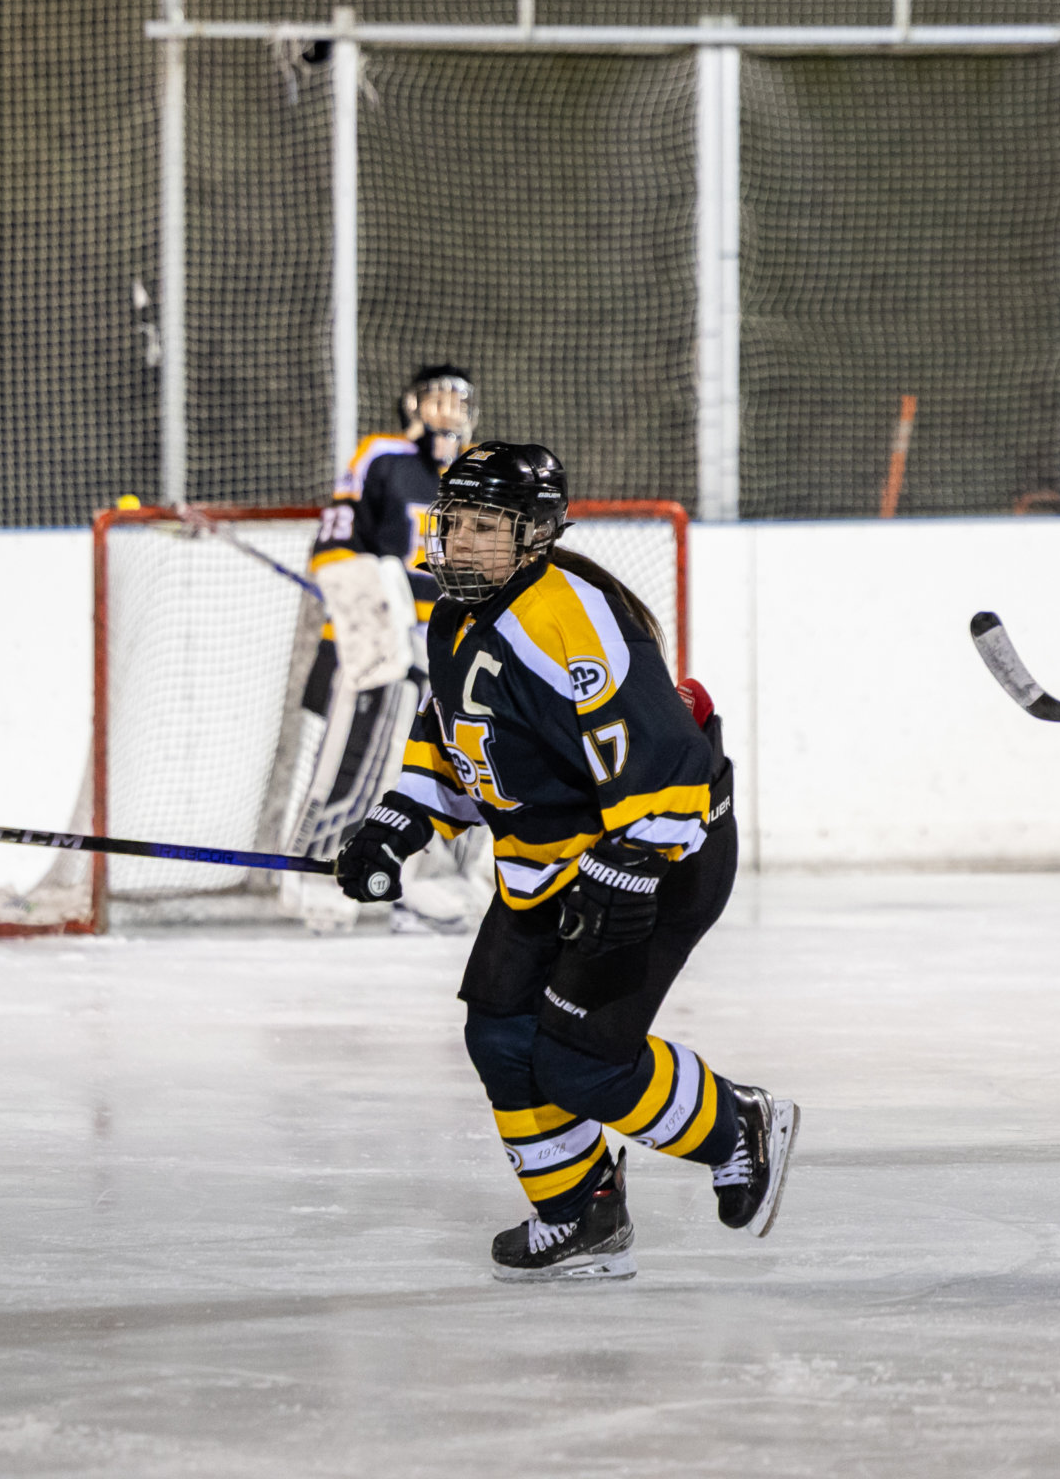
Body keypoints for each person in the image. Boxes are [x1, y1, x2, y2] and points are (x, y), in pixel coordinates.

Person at [330, 441, 798, 1278]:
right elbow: (459, 740)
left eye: (486, 527)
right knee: (501, 1035)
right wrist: (399, 823)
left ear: (535, 534)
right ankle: (582, 1214)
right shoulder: (454, 615)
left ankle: (739, 1125)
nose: (461, 541)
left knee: (580, 1062)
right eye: (454, 522)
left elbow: (667, 760)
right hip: (550, 865)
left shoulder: (565, 617)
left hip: (663, 858)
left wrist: (627, 871)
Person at [278, 366, 479, 929]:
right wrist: (372, 610)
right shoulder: (382, 457)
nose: (450, 413)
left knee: (459, 764)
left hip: (449, 646)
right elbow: (335, 544)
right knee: (357, 759)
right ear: (411, 406)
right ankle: (320, 874)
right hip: (380, 644)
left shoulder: (477, 473)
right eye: (438, 400)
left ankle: (432, 883)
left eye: (459, 402)